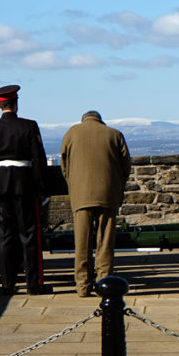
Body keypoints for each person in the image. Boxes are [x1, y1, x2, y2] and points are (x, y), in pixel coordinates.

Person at [0, 85, 52, 296]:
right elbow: (39, 160)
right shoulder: (28, 126)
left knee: (4, 236)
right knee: (29, 234)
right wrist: (41, 187)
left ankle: (7, 284)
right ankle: (33, 283)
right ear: (15, 103)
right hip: (24, 185)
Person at [61, 111, 131, 297]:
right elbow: (126, 167)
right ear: (100, 120)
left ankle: (83, 286)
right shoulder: (114, 134)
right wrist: (117, 187)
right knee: (105, 242)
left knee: (82, 243)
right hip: (108, 194)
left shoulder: (71, 133)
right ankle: (104, 282)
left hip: (81, 196)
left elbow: (64, 165)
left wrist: (74, 184)